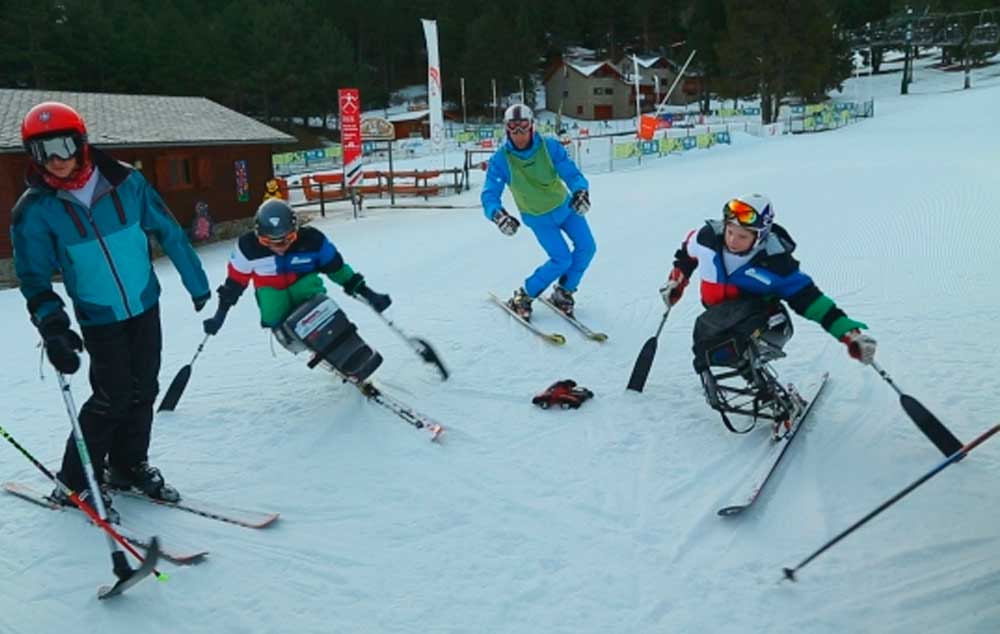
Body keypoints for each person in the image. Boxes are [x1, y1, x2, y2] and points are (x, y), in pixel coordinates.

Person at [12, 101, 211, 515]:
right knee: (111, 397)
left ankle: (126, 465)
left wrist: (196, 280)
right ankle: (77, 481)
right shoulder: (34, 210)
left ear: (82, 143)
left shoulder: (127, 182)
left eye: (63, 145)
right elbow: (32, 278)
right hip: (98, 316)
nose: (56, 160)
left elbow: (167, 229)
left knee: (145, 390)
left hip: (143, 303)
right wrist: (53, 326)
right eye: (42, 151)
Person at [661, 194, 877, 379]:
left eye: (742, 236)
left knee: (736, 345)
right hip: (719, 315)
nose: (732, 241)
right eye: (729, 232)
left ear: (759, 236)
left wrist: (850, 334)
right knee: (708, 343)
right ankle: (741, 372)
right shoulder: (706, 239)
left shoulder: (775, 264)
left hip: (764, 321)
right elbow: (686, 257)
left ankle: (765, 389)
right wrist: (676, 282)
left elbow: (812, 301)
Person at [201, 199, 391, 378]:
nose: (280, 248)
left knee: (316, 313)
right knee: (292, 332)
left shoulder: (312, 241)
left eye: (288, 239)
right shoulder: (248, 249)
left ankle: (345, 346)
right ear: (259, 236)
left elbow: (338, 269)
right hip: (275, 306)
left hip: (308, 297)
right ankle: (317, 346)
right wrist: (219, 316)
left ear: (296, 230)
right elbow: (234, 284)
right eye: (269, 242)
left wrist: (368, 293)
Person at [481, 104, 596, 320]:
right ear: (506, 130)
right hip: (538, 217)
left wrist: (581, 192)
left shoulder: (550, 147)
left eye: (523, 127)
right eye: (513, 128)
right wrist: (499, 215)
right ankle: (524, 295)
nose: (519, 134)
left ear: (532, 126)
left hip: (566, 208)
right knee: (561, 259)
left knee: (587, 247)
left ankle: (564, 291)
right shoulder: (501, 160)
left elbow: (572, 174)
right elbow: (489, 195)